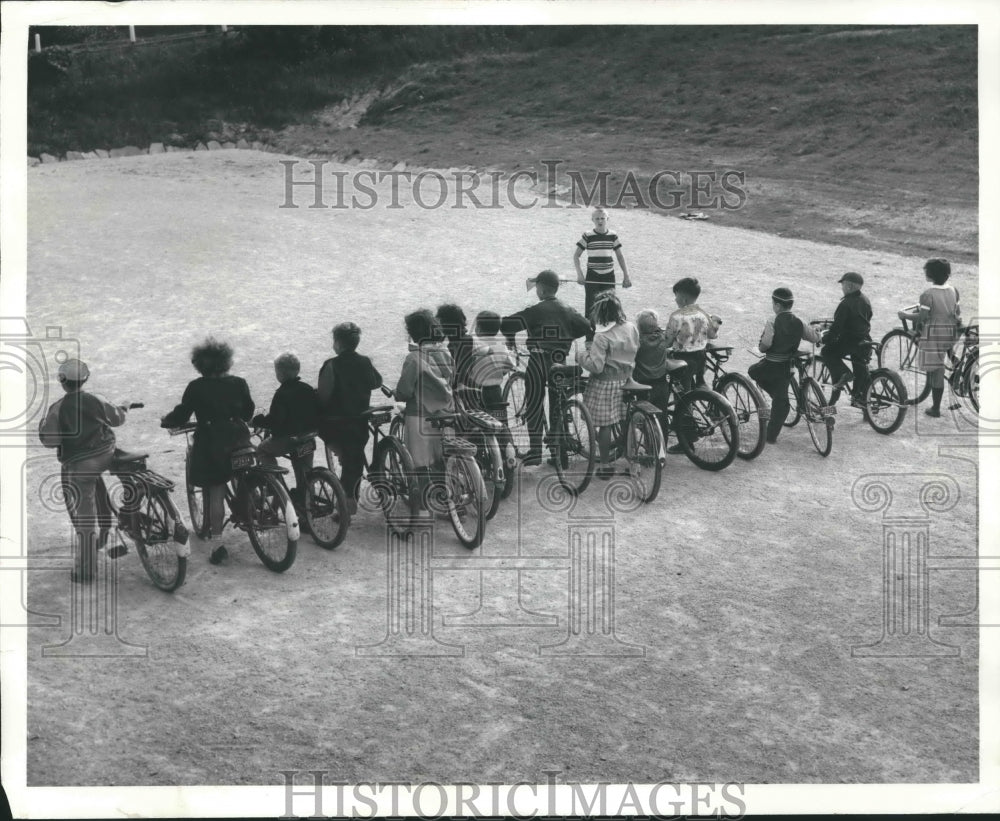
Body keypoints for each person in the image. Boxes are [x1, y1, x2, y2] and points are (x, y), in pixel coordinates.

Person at [161, 337, 254, 565]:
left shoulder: (196, 387)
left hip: (213, 443)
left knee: (216, 491)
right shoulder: (239, 382)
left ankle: (217, 544)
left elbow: (182, 414)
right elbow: (249, 412)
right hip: (240, 439)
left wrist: (168, 421)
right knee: (244, 474)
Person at [38, 359, 130, 583]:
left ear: (63, 382)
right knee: (129, 474)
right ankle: (130, 518)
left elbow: (50, 441)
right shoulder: (96, 399)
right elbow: (117, 418)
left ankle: (86, 572)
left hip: (81, 466)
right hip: (106, 454)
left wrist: (43, 425)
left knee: (86, 521)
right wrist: (124, 407)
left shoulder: (57, 408)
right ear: (85, 379)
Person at [501, 269, 592, 466]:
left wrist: (514, 338)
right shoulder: (567, 309)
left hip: (539, 360)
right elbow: (587, 326)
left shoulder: (536, 310)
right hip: (560, 360)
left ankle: (534, 452)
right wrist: (566, 336)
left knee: (534, 403)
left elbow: (506, 324)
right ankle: (560, 455)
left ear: (541, 289)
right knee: (557, 405)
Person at [317, 322, 383, 514]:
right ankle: (350, 493)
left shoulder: (331, 365)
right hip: (359, 421)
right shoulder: (364, 361)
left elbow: (323, 397)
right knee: (354, 455)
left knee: (320, 425)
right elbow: (376, 382)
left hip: (338, 422)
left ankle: (347, 502)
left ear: (337, 343)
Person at [394, 309, 454, 516]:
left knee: (418, 463)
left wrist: (397, 395)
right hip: (445, 414)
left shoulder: (413, 358)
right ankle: (444, 499)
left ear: (412, 333)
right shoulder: (444, 353)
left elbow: (404, 391)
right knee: (440, 460)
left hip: (419, 416)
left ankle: (421, 504)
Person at [748, 288, 822, 444]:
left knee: (753, 371)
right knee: (781, 398)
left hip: (771, 363)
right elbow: (814, 338)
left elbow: (766, 344)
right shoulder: (799, 321)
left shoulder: (772, 320)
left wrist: (761, 349)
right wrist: (818, 332)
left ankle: (776, 398)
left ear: (778, 306)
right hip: (786, 365)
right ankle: (772, 434)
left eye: (773, 304)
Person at [578, 293, 639, 479]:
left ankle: (605, 464)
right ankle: (634, 461)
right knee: (626, 420)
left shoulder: (601, 336)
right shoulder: (631, 327)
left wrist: (581, 355)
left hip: (605, 383)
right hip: (626, 379)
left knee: (605, 425)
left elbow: (596, 366)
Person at [252, 353, 321, 503]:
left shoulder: (282, 394)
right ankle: (308, 502)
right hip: (308, 436)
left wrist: (258, 421)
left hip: (287, 439)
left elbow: (275, 420)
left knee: (262, 450)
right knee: (305, 472)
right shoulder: (307, 389)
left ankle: (277, 487)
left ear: (280, 374)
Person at [898, 258, 961, 417]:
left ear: (930, 274)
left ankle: (936, 408)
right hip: (950, 330)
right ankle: (953, 357)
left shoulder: (928, 294)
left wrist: (905, 315)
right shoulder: (954, 290)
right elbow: (957, 312)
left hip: (934, 334)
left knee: (937, 371)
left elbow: (921, 317)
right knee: (944, 347)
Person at [820, 272, 873, 405]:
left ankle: (844, 373)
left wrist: (825, 339)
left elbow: (836, 329)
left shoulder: (845, 304)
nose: (842, 287)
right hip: (865, 340)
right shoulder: (865, 300)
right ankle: (859, 397)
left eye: (843, 284)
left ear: (849, 286)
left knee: (827, 352)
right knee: (860, 367)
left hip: (850, 340)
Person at [662, 276, 722, 390]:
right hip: (701, 358)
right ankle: (700, 383)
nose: (675, 299)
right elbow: (712, 335)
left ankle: (684, 403)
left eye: (676, 296)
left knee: (684, 394)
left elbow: (668, 342)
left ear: (684, 299)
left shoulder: (676, 317)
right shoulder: (703, 314)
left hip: (683, 360)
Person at [573, 207, 632, 318]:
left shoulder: (612, 235)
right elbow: (576, 256)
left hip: (609, 276)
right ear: (592, 220)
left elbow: (620, 256)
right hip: (592, 275)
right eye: (597, 218)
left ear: (607, 219)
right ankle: (591, 335)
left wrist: (626, 276)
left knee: (610, 307)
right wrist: (579, 274)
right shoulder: (588, 235)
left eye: (602, 218)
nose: (600, 221)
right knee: (591, 308)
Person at [467, 310, 515, 412]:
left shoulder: (474, 343)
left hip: (477, 390)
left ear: (478, 329)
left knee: (480, 420)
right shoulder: (501, 345)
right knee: (499, 419)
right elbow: (510, 365)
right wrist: (497, 372)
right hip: (496, 390)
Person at [435, 303, 475, 388]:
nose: (438, 327)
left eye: (440, 323)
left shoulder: (463, 343)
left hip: (464, 389)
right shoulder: (456, 340)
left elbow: (461, 373)